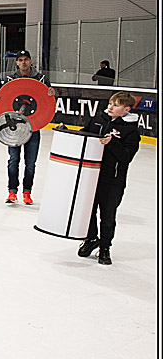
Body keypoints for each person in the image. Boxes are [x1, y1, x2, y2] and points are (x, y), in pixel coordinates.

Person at [71, 92, 140, 265]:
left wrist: (112, 142)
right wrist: (65, 131)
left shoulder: (131, 131)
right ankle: (91, 239)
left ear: (126, 109)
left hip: (113, 180)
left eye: (116, 105)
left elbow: (126, 156)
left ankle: (105, 247)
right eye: (110, 103)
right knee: (89, 211)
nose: (110, 107)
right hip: (91, 175)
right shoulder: (97, 120)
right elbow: (83, 137)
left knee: (108, 215)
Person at [0, 50, 55, 205]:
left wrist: (52, 93)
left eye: (26, 59)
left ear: (31, 61)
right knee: (13, 160)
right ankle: (12, 192)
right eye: (20, 60)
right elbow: (5, 99)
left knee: (30, 162)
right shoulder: (10, 79)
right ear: (17, 62)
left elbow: (48, 101)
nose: (23, 62)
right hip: (13, 129)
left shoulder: (41, 78)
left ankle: (27, 192)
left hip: (33, 126)